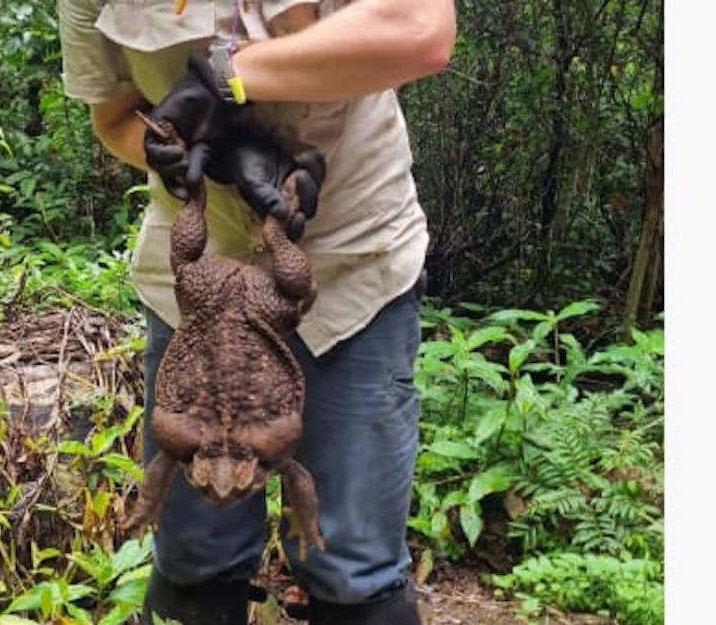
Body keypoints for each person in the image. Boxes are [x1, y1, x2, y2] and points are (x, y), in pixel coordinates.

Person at [56, 1, 457, 624]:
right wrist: (185, 149)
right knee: (192, 557)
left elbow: (420, 32)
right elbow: (113, 117)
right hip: (198, 281)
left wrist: (228, 74)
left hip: (352, 264)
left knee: (352, 565)